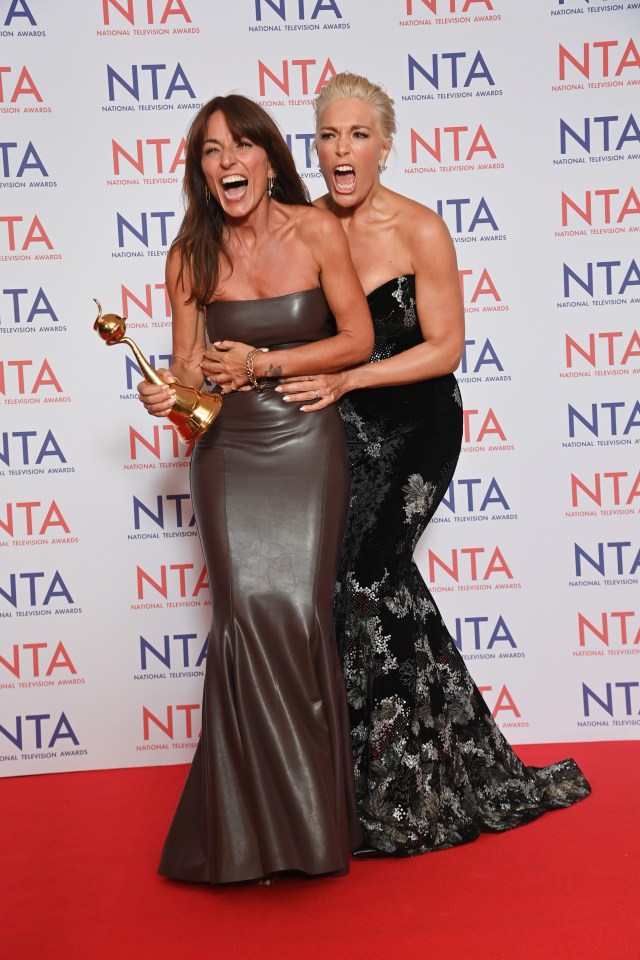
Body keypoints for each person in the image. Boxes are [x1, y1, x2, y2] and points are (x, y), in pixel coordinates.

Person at [270, 72, 591, 857]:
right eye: (328, 135)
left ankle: (401, 789)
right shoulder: (304, 229)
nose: (341, 150)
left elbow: (444, 347)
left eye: (357, 135)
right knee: (353, 589)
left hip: (415, 426)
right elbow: (284, 330)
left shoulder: (421, 229)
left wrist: (352, 374)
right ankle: (408, 772)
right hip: (336, 434)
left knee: (376, 573)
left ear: (386, 145)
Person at [137, 93, 373, 884]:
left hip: (306, 443)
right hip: (230, 451)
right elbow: (189, 378)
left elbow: (358, 337)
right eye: (211, 151)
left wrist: (266, 365)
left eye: (241, 146)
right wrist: (170, 393)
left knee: (297, 615)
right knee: (243, 618)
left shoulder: (315, 231)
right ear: (201, 172)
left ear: (270, 159)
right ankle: (244, 839)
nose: (227, 161)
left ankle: (305, 831)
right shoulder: (189, 256)